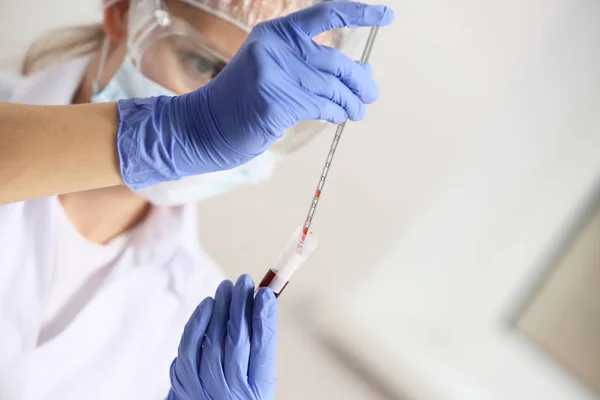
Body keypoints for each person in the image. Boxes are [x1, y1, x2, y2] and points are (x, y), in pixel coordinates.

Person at [0, 0, 394, 399]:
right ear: (123, 12)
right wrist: (178, 129)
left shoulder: (198, 320)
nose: (240, 118)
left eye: (271, 97)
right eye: (203, 65)